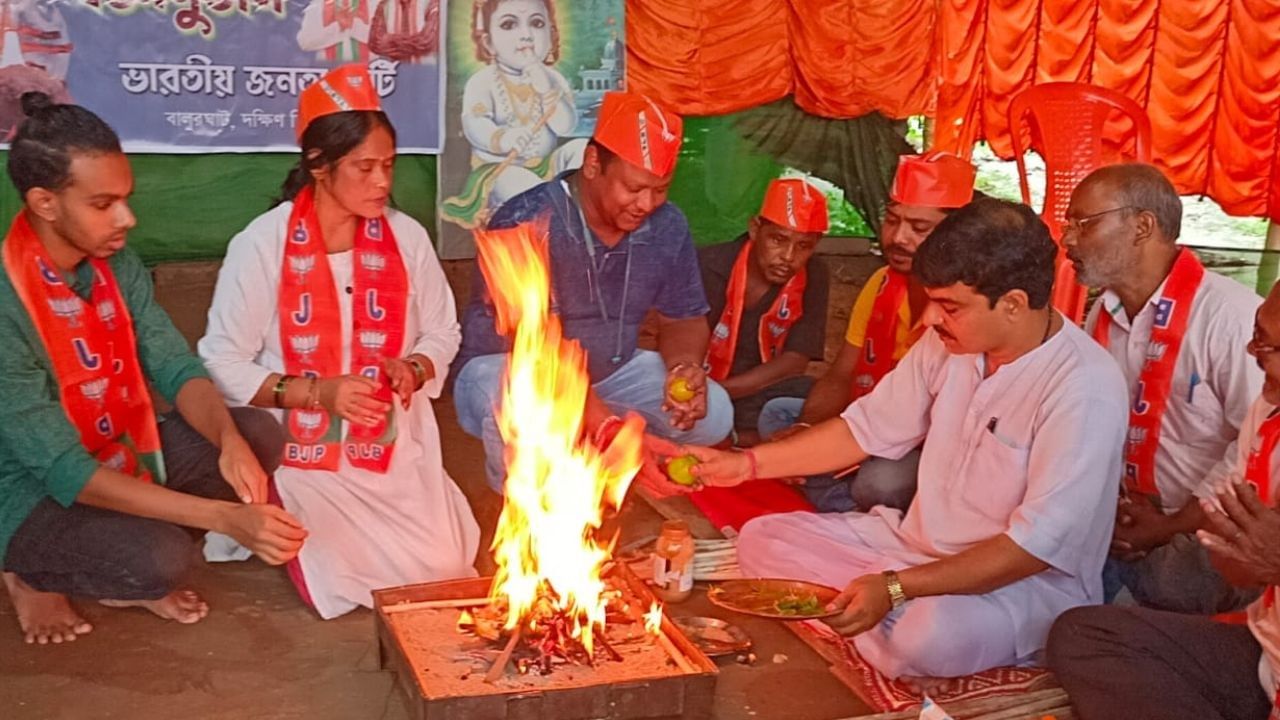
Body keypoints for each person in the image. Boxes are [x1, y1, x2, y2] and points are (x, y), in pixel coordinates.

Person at [684, 198, 1128, 680]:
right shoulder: (948, 343)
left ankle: (879, 629)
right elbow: (864, 429)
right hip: (908, 549)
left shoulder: (1085, 387)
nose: (931, 320)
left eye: (949, 307)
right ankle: (873, 626)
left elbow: (1030, 549)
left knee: (929, 638)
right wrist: (743, 466)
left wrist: (895, 589)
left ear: (1014, 304)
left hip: (1017, 587)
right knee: (764, 538)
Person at [0, 93, 304, 645]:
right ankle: (27, 575)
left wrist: (228, 438)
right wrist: (224, 519)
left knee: (258, 434)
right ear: (45, 203)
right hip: (26, 494)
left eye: (126, 199)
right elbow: (65, 472)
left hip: (116, 446)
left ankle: (116, 550)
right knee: (158, 561)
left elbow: (173, 364)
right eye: (103, 204)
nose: (127, 218)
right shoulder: (5, 301)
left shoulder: (117, 263)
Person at [198, 64, 479, 619]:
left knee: (445, 568)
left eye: (389, 167)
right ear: (319, 166)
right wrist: (316, 394)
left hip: (393, 441)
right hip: (304, 451)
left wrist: (416, 367)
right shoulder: (264, 242)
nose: (382, 183)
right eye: (365, 167)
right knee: (351, 575)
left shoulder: (405, 237)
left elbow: (443, 330)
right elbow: (221, 359)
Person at [454, 90, 733, 494]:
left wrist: (684, 366)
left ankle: (605, 455)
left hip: (611, 370)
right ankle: (520, 512)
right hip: (509, 369)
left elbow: (684, 316)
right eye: (634, 188)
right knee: (530, 415)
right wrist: (607, 427)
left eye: (660, 189)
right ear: (592, 164)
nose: (647, 203)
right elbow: (539, 355)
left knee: (716, 415)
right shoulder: (523, 220)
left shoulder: (667, 225)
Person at [1045, 281, 1280, 720]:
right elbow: (1234, 531)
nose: (1253, 351)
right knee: (1082, 634)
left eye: (1271, 344)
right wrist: (1237, 556)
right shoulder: (1268, 410)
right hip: (1266, 653)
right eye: (1257, 334)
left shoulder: (1218, 313)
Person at [1064, 163, 1262, 614]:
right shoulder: (1103, 316)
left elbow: (1256, 447)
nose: (1069, 239)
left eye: (1084, 223)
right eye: (1069, 225)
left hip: (1207, 521)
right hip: (1128, 511)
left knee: (1175, 578)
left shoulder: (1229, 319)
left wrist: (1169, 526)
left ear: (1142, 226)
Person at [755, 152, 976, 512]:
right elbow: (842, 373)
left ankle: (848, 496)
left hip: (930, 443)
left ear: (959, 234)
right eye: (892, 220)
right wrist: (809, 427)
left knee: (880, 482)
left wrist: (845, 445)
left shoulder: (970, 304)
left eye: (919, 228)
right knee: (779, 416)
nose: (898, 237)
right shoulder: (881, 284)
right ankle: (848, 497)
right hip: (872, 420)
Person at [698, 177, 829, 443]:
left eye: (804, 246)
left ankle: (733, 436)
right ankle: (746, 438)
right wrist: (702, 390)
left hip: (754, 389)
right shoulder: (710, 264)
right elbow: (682, 334)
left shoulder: (814, 274)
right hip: (700, 381)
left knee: (819, 397)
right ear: (755, 229)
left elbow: (795, 361)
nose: (788, 257)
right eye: (778, 240)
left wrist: (720, 392)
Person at [440, 0, 585, 230]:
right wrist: (502, 138)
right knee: (519, 182)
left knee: (582, 148)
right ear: (488, 42)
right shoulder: (482, 81)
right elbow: (474, 124)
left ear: (552, 35)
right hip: (498, 170)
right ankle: (555, 220)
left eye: (537, 23)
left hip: (547, 166)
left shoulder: (553, 80)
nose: (526, 35)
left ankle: (573, 212)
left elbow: (566, 126)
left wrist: (546, 89)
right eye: (509, 25)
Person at [297, 0, 371, 62]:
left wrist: (354, 25)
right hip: (327, 73)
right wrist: (338, 27)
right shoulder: (318, 3)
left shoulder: (374, 2)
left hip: (370, 72)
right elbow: (305, 42)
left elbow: (381, 42)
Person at [368, 0, 440, 64]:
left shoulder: (432, 3)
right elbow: (375, 43)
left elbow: (428, 41)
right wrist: (415, 44)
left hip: (425, 74)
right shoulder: (385, 5)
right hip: (394, 74)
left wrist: (390, 42)